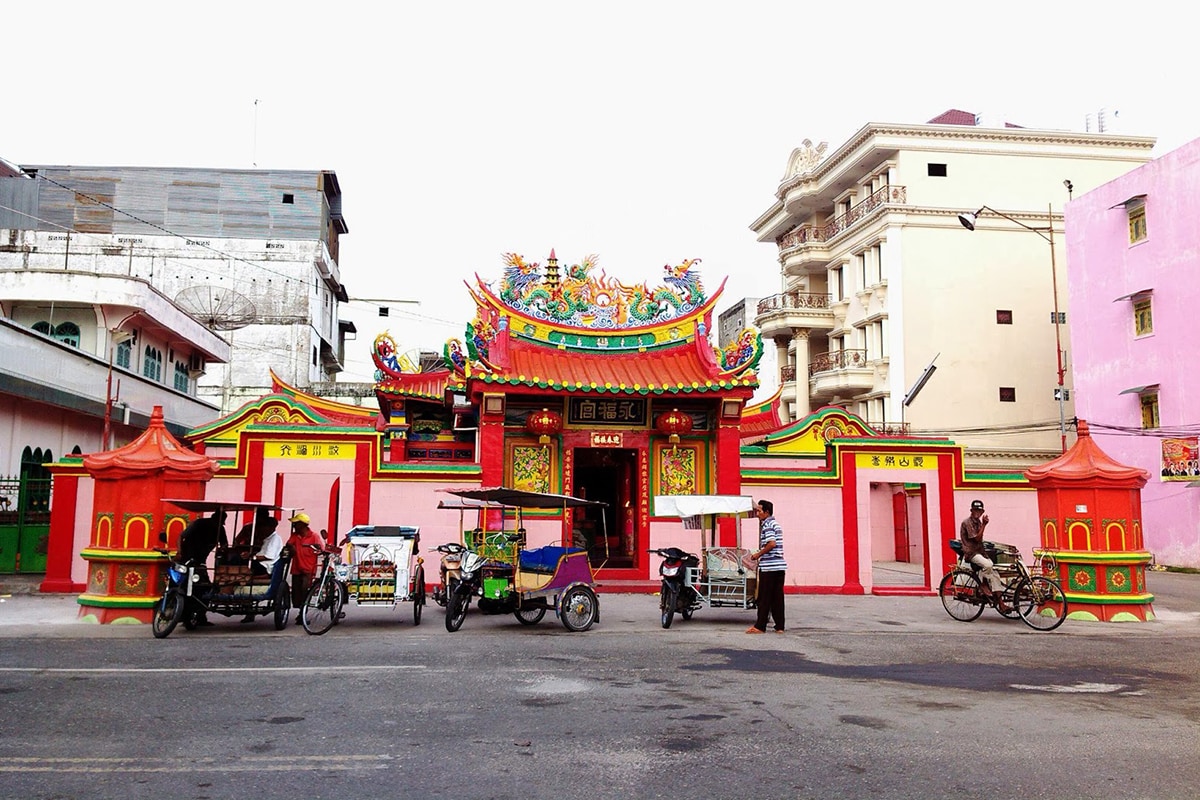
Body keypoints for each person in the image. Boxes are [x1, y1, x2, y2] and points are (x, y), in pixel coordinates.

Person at [176, 510, 228, 627]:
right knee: (183, 585)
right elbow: (181, 536)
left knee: (205, 588)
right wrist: (179, 552)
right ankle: (183, 613)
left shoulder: (220, 529)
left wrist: (222, 549)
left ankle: (199, 616)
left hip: (200, 563)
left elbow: (224, 545)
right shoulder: (198, 524)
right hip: (186, 560)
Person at [959, 499, 1010, 613]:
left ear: (982, 512)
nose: (977, 512)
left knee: (995, 575)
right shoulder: (967, 523)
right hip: (971, 553)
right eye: (975, 510)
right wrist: (984, 525)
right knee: (988, 565)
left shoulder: (978, 522)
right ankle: (982, 585)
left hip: (980, 552)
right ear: (971, 510)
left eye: (979, 511)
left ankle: (1001, 604)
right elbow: (977, 538)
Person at [747, 499, 787, 634]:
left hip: (769, 567)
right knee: (777, 598)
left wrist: (758, 555)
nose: (757, 513)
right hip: (779, 567)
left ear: (767, 512)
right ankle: (780, 626)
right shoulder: (776, 524)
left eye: (759, 511)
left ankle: (760, 626)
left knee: (764, 597)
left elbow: (771, 543)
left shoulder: (768, 525)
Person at [286, 512, 332, 623]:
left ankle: (303, 613)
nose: (294, 526)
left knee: (305, 591)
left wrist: (318, 549)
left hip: (308, 569)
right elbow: (289, 544)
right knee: (296, 592)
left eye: (296, 524)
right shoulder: (295, 536)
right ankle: (301, 611)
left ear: (303, 525)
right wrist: (291, 548)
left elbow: (321, 549)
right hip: (296, 568)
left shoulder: (314, 536)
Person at [240, 516, 283, 623]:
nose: (262, 529)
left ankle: (237, 576)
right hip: (260, 563)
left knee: (240, 561)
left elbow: (268, 556)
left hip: (265, 566)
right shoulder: (266, 539)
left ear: (271, 527)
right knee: (238, 559)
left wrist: (252, 557)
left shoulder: (275, 539)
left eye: (264, 527)